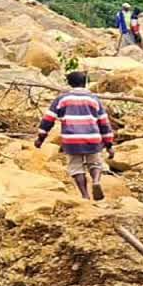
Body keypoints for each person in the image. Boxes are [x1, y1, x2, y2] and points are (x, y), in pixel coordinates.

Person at [36, 71, 115, 201]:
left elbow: (48, 119)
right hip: (92, 138)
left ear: (69, 83)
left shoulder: (62, 99)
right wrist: (109, 144)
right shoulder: (94, 99)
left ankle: (84, 194)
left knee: (75, 166)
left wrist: (41, 138)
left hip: (71, 139)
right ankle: (95, 181)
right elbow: (104, 123)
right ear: (85, 83)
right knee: (95, 162)